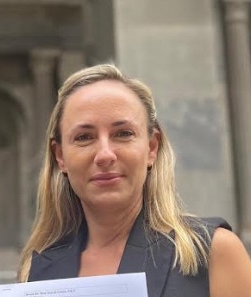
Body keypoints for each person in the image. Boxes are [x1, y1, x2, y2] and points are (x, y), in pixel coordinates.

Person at [18, 64, 251, 296]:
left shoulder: (212, 252)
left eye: (123, 134)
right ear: (60, 156)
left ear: (151, 147)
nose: (105, 154)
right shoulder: (37, 272)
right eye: (84, 137)